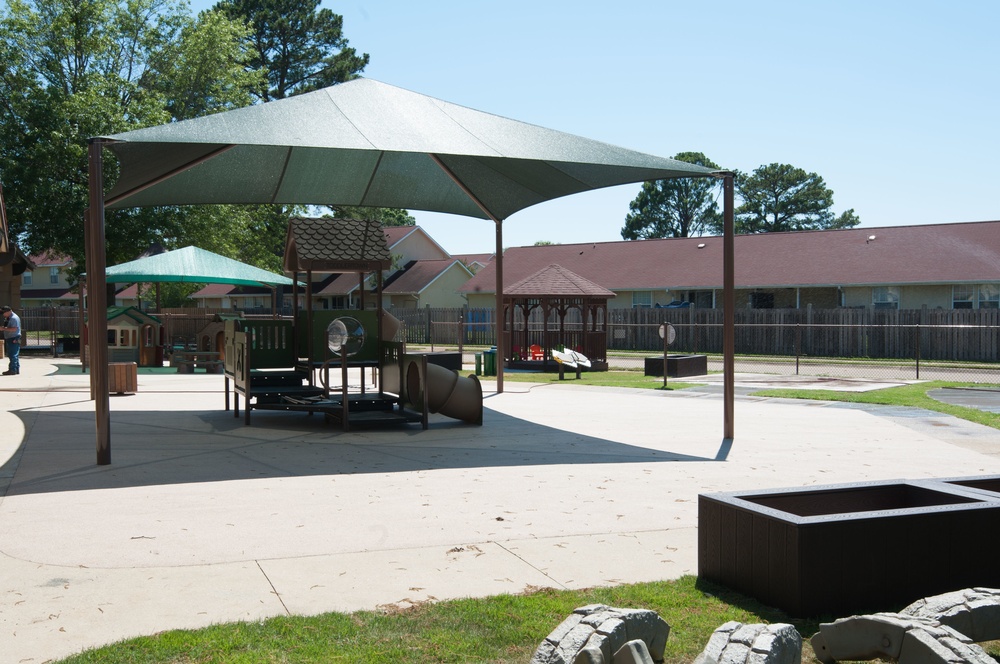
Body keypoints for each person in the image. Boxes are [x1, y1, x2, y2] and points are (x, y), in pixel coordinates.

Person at [1, 305, 20, 375]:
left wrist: (3, 329)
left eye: (3, 313)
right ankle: (16, 369)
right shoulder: (9, 318)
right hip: (10, 337)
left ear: (8, 311)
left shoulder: (14, 318)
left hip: (14, 337)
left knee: (13, 354)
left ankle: (12, 370)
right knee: (14, 354)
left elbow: (14, 329)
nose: (3, 315)